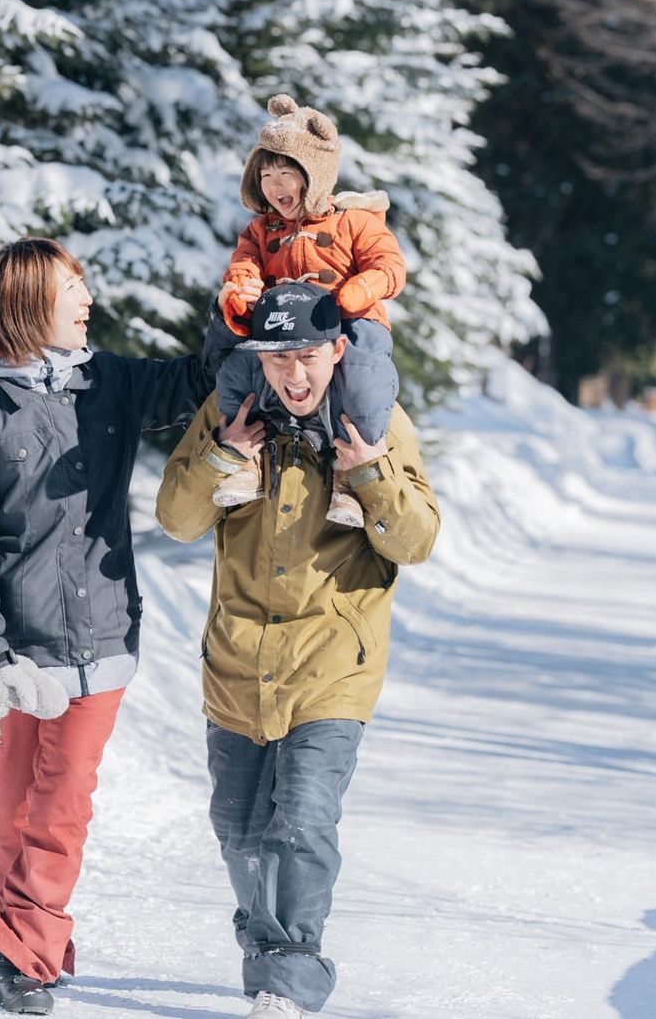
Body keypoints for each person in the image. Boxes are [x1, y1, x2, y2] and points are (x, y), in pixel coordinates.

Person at [0, 237, 224, 1015]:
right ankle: (34, 932)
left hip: (100, 639)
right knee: (13, 806)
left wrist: (237, 302)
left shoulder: (111, 383)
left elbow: (198, 381)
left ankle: (25, 948)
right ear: (28, 303)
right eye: (71, 287)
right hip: (13, 652)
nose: (87, 298)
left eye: (83, 284)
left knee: (60, 801)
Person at [156, 282, 440, 1019]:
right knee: (239, 831)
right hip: (238, 666)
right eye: (278, 357)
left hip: (330, 670)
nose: (295, 372)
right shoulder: (232, 416)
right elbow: (176, 519)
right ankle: (265, 944)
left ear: (337, 350)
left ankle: (288, 974)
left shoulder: (376, 422)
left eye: (308, 354)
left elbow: (416, 541)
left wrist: (372, 470)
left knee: (304, 819)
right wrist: (221, 456)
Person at [215, 93, 405, 529]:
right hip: (283, 326)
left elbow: (390, 266)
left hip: (350, 320)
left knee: (362, 378)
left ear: (314, 175)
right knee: (238, 367)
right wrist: (244, 286)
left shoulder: (353, 222)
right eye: (266, 176)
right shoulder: (262, 230)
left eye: (286, 174)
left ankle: (349, 479)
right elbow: (245, 261)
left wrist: (361, 289)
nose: (276, 187)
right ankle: (247, 462)